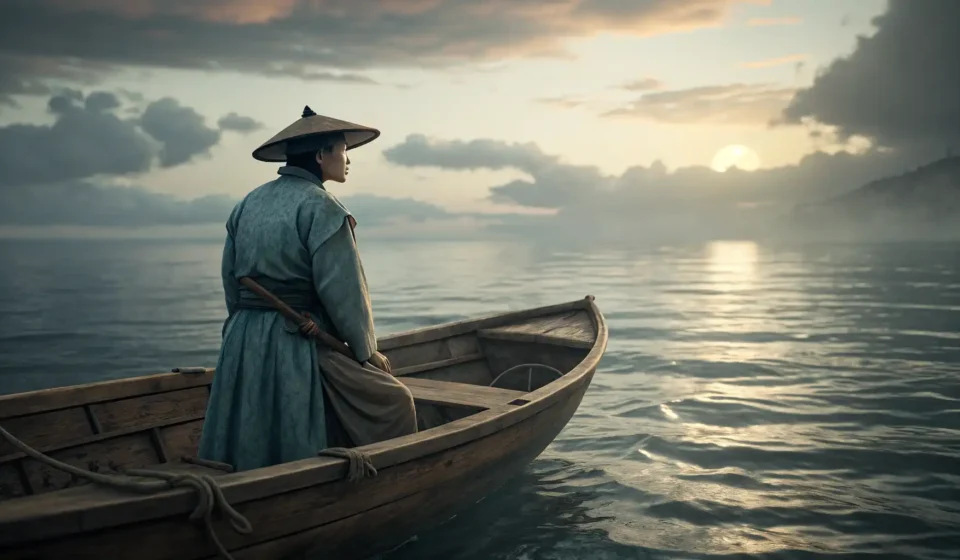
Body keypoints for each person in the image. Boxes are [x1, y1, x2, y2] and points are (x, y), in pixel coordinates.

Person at [198, 106, 418, 472]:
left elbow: (230, 279)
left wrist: (242, 331)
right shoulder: (322, 206)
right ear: (320, 156)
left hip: (243, 336)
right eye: (343, 151)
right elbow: (344, 291)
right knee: (395, 400)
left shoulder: (249, 201)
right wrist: (366, 352)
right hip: (297, 337)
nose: (348, 161)